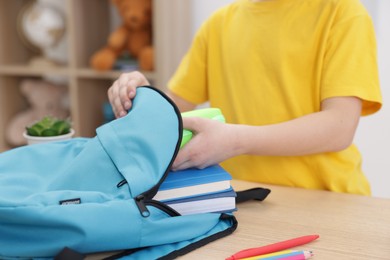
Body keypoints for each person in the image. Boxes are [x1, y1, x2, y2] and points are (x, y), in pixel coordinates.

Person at [108, 0, 382, 195]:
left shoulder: (344, 13)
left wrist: (236, 141)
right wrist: (142, 97)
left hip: (328, 199)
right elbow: (172, 109)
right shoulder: (219, 24)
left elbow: (339, 128)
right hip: (242, 197)